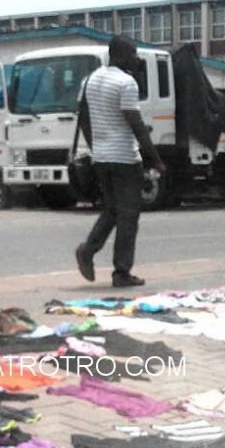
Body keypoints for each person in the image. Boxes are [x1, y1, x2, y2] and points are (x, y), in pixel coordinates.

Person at [73, 34, 166, 289]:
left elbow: (83, 119)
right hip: (125, 158)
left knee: (113, 209)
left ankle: (88, 251)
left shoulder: (89, 80)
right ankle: (121, 272)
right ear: (121, 55)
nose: (136, 58)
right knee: (129, 216)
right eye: (134, 53)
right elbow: (135, 123)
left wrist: (96, 147)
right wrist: (156, 159)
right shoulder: (127, 83)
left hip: (101, 158)